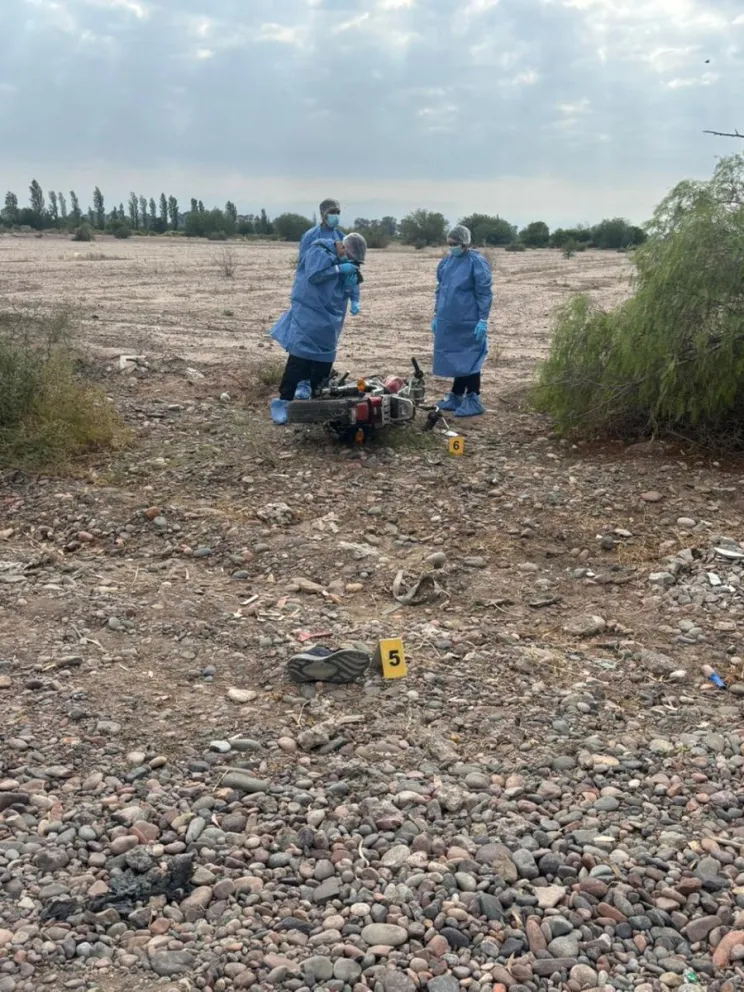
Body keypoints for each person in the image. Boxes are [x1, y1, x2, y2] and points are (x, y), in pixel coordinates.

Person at [268, 232, 367, 424]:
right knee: (300, 356)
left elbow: (352, 283)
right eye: (351, 259)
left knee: (325, 358)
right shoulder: (319, 250)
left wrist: (354, 298)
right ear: (344, 248)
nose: (351, 263)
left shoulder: (347, 263)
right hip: (309, 311)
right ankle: (283, 401)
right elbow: (313, 276)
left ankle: (318, 401)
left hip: (331, 318)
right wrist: (338, 269)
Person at [430, 224, 493, 417]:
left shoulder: (476, 262)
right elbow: (441, 289)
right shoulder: (447, 262)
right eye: (450, 244)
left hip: (469, 319)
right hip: (449, 319)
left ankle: (473, 398)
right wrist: (436, 314)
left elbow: (483, 292)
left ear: (465, 243)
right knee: (457, 356)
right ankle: (457, 395)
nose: (452, 247)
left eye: (455, 244)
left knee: (470, 356)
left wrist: (483, 319)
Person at [299, 198, 360, 315]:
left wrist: (354, 298)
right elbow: (306, 270)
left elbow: (352, 270)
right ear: (323, 214)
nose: (335, 216)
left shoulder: (342, 237)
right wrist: (337, 269)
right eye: (332, 212)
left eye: (338, 213)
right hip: (311, 296)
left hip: (334, 299)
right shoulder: (311, 237)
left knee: (329, 331)